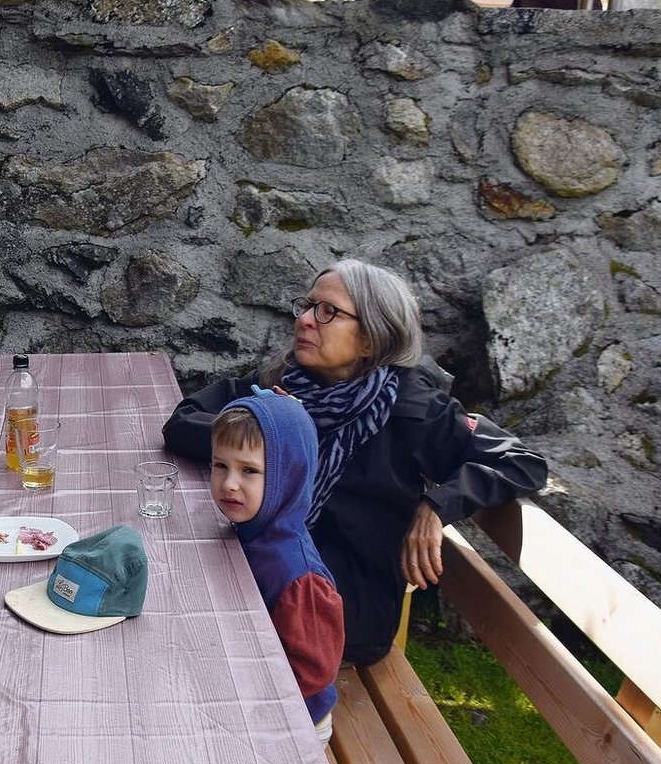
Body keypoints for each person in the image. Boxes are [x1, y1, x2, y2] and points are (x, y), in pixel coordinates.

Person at [165, 259, 547, 665]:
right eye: (307, 306)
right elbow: (184, 421)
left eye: (328, 312)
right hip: (269, 568)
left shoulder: (411, 405)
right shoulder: (288, 381)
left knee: (185, 622)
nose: (306, 321)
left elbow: (520, 461)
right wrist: (273, 431)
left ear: (371, 339)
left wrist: (437, 506)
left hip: (343, 608)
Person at [211, 388, 343, 743]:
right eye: (220, 465)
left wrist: (245, 700)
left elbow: (312, 672)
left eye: (249, 471)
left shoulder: (298, 576)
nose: (229, 483)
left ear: (290, 477)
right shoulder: (255, 529)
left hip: (294, 723)